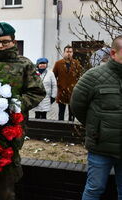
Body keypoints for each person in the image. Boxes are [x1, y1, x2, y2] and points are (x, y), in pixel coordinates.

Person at [0, 22, 46, 200]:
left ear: (13, 42)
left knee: (7, 183)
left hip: (10, 131)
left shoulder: (24, 64)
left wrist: (13, 105)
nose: (0, 46)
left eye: (4, 42)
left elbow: (37, 92)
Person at [70, 35, 122, 200]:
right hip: (101, 148)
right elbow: (77, 105)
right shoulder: (93, 76)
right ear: (113, 54)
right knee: (94, 190)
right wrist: (95, 126)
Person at [53, 45, 82, 121]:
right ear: (64, 52)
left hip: (72, 91)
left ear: (72, 53)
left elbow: (79, 77)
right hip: (61, 91)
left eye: (70, 52)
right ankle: (60, 127)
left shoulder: (76, 63)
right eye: (67, 52)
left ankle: (71, 127)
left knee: (72, 112)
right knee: (61, 112)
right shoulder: (58, 63)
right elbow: (53, 77)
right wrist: (57, 86)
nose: (69, 53)